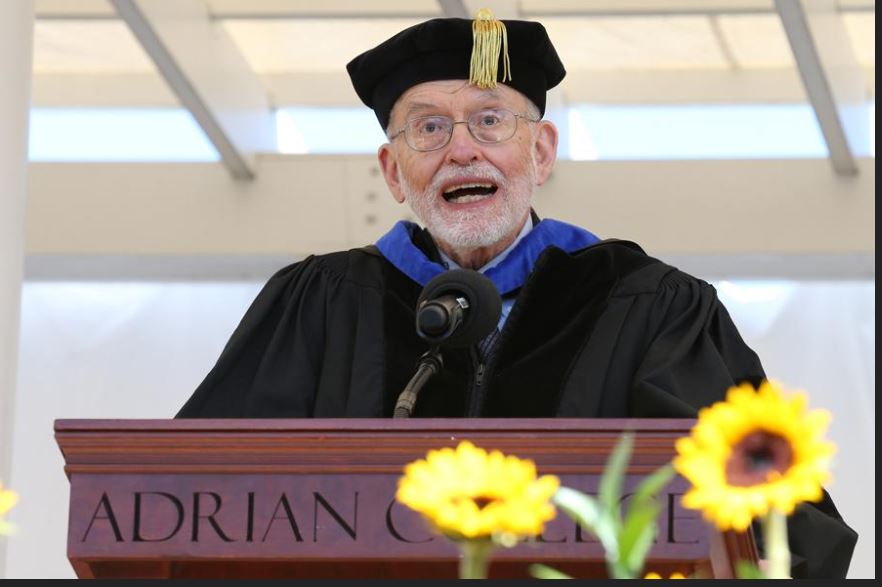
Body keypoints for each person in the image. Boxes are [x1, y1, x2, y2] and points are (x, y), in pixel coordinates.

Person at [176, 11, 856, 577]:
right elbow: (185, 500)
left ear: (541, 154)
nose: (463, 149)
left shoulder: (647, 307)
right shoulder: (320, 305)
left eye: (491, 120)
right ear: (393, 171)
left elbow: (777, 525)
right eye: (429, 127)